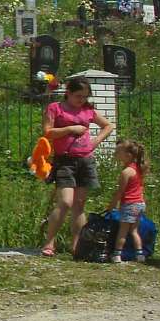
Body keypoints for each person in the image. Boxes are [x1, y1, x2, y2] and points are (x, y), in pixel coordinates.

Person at [40, 78, 114, 257]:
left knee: (79, 205)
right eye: (78, 96)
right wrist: (70, 129)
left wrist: (94, 142)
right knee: (65, 201)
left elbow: (108, 125)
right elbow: (48, 132)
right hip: (64, 160)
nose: (81, 100)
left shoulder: (88, 110)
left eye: (84, 96)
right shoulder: (55, 108)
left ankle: (78, 246)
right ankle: (49, 242)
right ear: (68, 92)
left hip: (85, 160)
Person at [106, 140, 148, 263]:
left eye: (118, 152)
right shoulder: (138, 169)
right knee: (134, 231)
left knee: (122, 231)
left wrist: (112, 205)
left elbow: (120, 192)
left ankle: (117, 255)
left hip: (129, 204)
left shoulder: (126, 172)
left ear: (128, 155)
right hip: (140, 204)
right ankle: (140, 255)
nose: (116, 154)